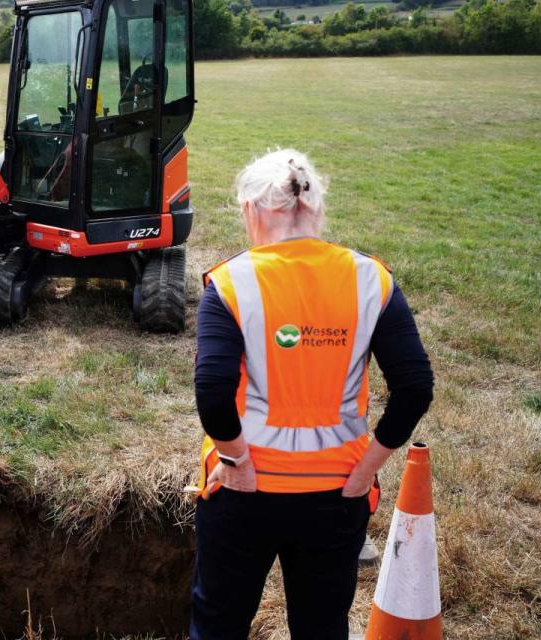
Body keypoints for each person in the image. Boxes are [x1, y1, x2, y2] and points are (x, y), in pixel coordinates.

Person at [190, 149, 434, 639]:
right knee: (321, 626)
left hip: (243, 493)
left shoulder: (231, 282)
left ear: (251, 209)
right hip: (339, 493)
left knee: (218, 623)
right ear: (318, 209)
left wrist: (236, 463)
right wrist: (367, 469)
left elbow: (213, 390)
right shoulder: (372, 279)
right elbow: (414, 387)